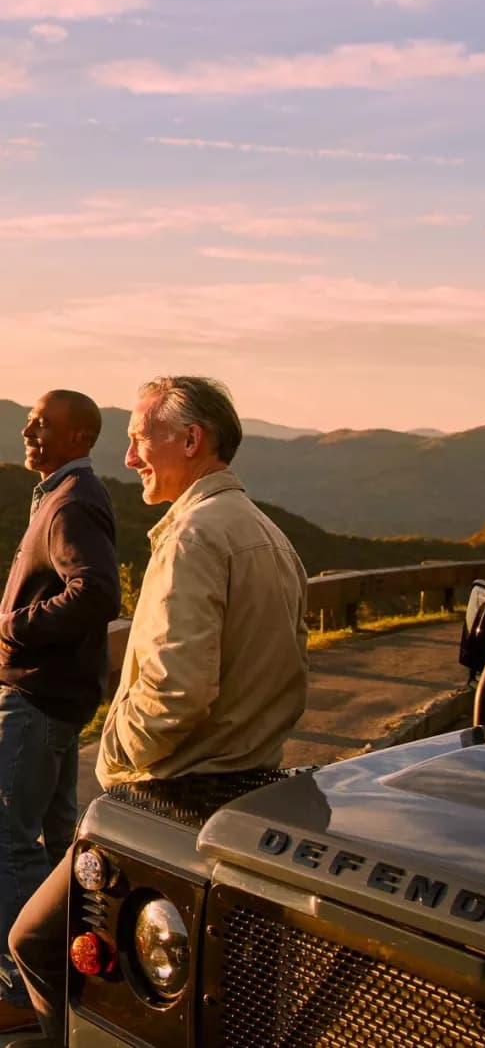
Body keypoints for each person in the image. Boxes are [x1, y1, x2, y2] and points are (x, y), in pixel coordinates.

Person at [7, 376, 309, 1048]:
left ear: (191, 439)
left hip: (170, 796)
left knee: (34, 938)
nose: (132, 457)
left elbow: (175, 693)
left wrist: (113, 762)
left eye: (141, 439)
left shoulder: (195, 536)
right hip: (248, 791)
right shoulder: (269, 534)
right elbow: (292, 672)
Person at [0, 390, 120, 1035]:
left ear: (79, 438)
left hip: (36, 699)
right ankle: (59, 970)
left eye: (43, 424)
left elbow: (97, 590)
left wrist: (15, 627)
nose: (28, 429)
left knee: (7, 840)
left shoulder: (72, 500)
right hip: (53, 697)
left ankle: (18, 988)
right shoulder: (60, 494)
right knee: (52, 840)